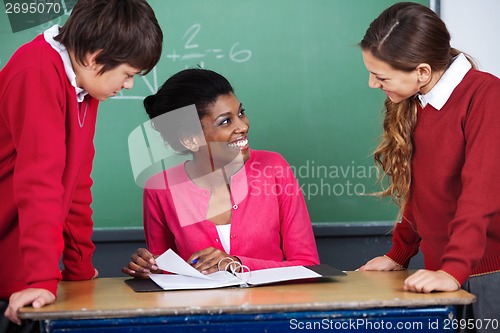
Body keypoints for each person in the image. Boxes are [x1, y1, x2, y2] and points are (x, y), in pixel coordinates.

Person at [0, 0, 162, 328]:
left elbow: (75, 182)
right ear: (94, 57)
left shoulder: (85, 86)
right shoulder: (37, 72)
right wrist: (42, 280)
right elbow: (39, 183)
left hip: (23, 266)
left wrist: (80, 268)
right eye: (128, 74)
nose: (129, 85)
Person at [357, 2, 500, 330]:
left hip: (486, 274)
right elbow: (421, 188)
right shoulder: (417, 101)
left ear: (421, 71)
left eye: (380, 76)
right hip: (446, 272)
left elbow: (481, 192)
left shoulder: (486, 95)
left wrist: (453, 270)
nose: (371, 84)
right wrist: (399, 253)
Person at [122, 68, 319, 278]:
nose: (243, 126)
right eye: (225, 121)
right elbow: (166, 270)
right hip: (199, 310)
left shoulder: (274, 168)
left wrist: (235, 265)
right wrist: (150, 268)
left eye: (241, 113)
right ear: (190, 140)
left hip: (271, 307)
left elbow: (308, 264)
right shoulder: (161, 188)